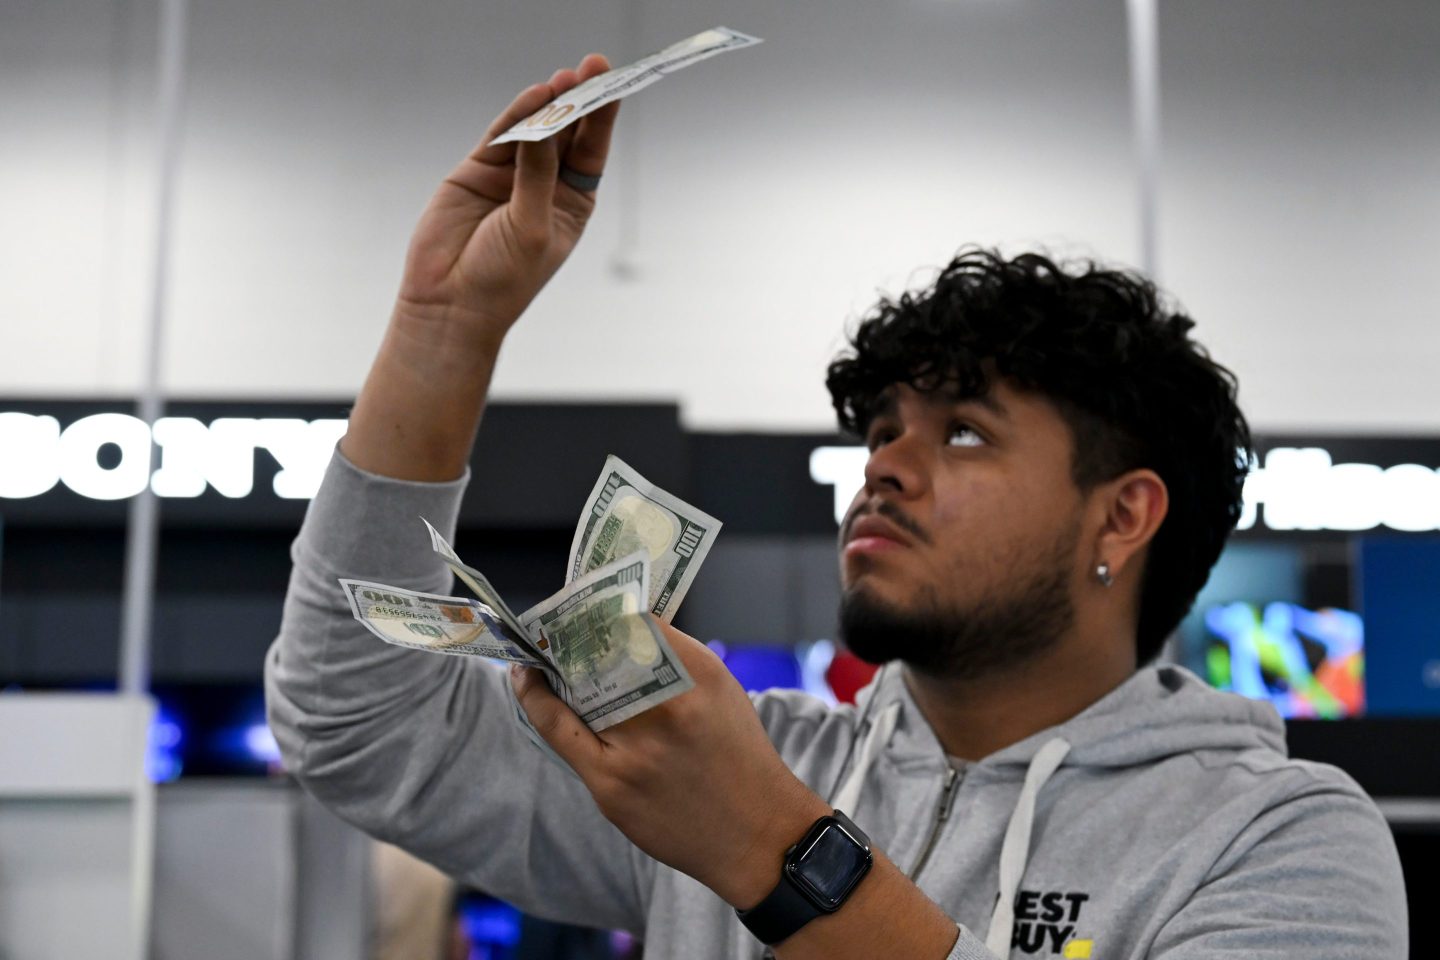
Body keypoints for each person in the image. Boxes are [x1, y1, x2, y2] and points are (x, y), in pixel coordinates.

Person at [265, 53, 1407, 959]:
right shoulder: (732, 760)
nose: (888, 468)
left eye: (963, 432)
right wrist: (443, 332)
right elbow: (358, 720)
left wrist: (771, 847)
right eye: (881, 433)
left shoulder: (1276, 836)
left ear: (1123, 516)